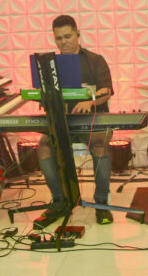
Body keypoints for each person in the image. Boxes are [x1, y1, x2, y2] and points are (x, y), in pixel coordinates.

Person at [33, 14, 115, 229]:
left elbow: (107, 91)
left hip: (93, 121)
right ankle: (59, 201)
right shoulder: (49, 66)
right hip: (63, 123)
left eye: (68, 36)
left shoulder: (95, 60)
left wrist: (90, 101)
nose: (64, 42)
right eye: (58, 38)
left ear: (78, 35)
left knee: (100, 145)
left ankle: (101, 202)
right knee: (44, 147)